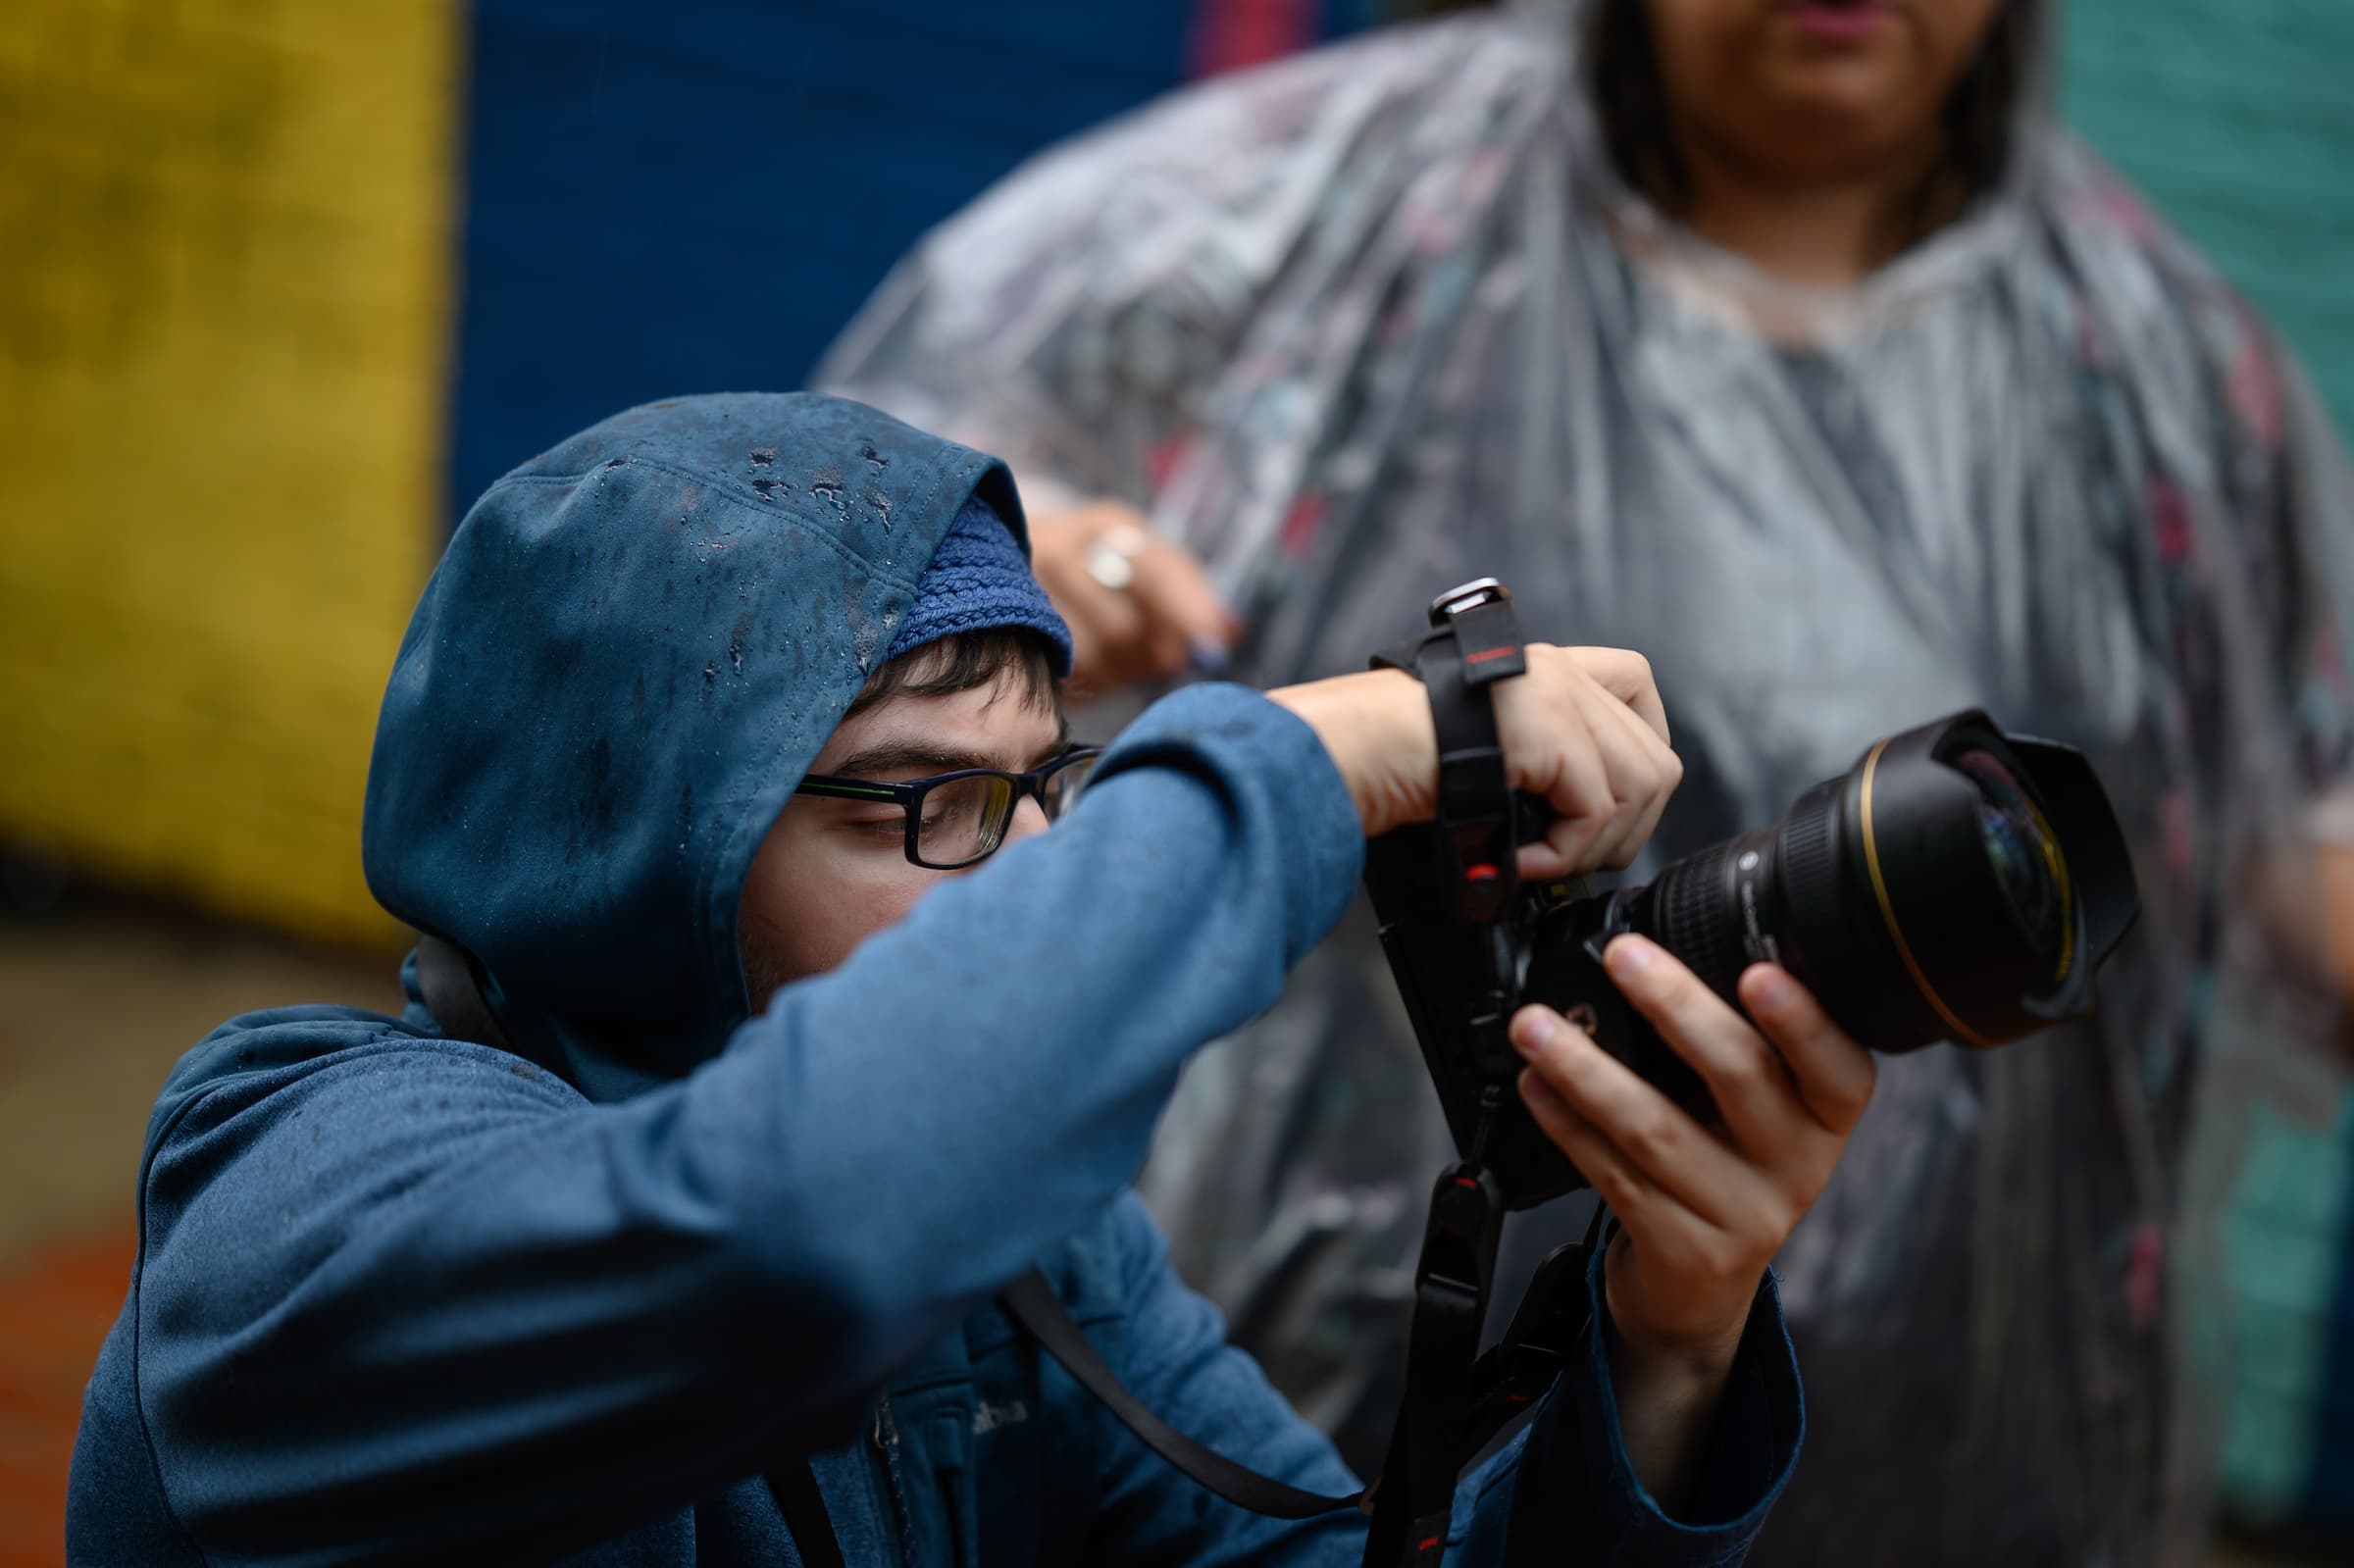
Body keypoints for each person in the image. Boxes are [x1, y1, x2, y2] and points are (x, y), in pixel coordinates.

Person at [815, 1, 2354, 1562]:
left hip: (1977, 1438)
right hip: (1323, 1398)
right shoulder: (1322, 219)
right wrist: (1040, 579)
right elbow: (842, 544)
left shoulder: (2158, 372)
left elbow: (2312, 824)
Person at [66, 392, 1883, 1565]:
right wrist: (1307, 761)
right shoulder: (287, 1184)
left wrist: (1669, 1328)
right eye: (928, 803)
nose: (1031, 862)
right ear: (645, 835)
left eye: (1040, 787)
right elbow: (796, 1224)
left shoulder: (1027, 1255)